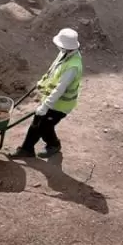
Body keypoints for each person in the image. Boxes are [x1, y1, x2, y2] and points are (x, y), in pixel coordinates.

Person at [12, 28, 83, 160]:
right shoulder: (64, 53)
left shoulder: (73, 66)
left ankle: (45, 146)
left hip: (60, 105)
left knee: (42, 126)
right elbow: (53, 69)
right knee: (40, 124)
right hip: (53, 101)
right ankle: (35, 147)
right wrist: (42, 81)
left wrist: (45, 106)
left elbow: (60, 89)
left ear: (66, 46)